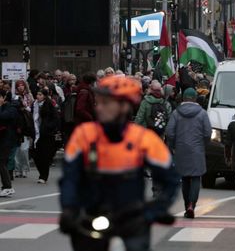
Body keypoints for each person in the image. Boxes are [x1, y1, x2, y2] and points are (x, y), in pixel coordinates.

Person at [58, 75, 178, 251]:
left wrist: (155, 210)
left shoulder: (143, 138)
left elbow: (170, 179)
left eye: (106, 103)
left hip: (132, 217)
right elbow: (70, 177)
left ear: (124, 106)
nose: (99, 107)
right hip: (92, 214)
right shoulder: (84, 134)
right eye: (98, 102)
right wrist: (69, 209)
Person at [166, 88, 212, 218]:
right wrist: (203, 144)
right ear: (195, 98)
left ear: (183, 98)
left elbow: (170, 132)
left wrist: (172, 146)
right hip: (197, 149)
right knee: (196, 177)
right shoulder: (202, 113)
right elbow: (208, 133)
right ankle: (192, 205)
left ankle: (187, 205)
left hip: (181, 149)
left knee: (185, 177)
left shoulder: (176, 113)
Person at [31, 88, 59, 184]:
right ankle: (41, 173)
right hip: (36, 133)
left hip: (46, 134)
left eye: (40, 95)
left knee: (45, 156)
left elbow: (56, 119)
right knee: (35, 156)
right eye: (37, 94)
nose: (38, 96)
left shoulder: (49, 105)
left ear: (44, 96)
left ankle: (43, 176)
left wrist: (48, 127)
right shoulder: (34, 105)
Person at [0, 93, 19, 197]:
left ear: (4, 98)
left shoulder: (11, 109)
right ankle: (7, 187)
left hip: (7, 140)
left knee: (2, 163)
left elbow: (2, 117)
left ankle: (7, 187)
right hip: (3, 139)